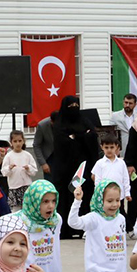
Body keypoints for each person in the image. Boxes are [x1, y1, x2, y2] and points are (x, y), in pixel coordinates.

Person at [46, 96, 100, 239]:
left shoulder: (84, 120)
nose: (74, 108)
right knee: (65, 198)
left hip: (83, 169)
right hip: (65, 171)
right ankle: (65, 230)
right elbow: (62, 143)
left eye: (76, 104)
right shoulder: (59, 124)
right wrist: (83, 136)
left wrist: (77, 137)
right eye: (71, 105)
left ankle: (83, 229)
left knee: (84, 196)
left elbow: (93, 136)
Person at [1, 130, 37, 209]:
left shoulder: (27, 155)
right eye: (15, 141)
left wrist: (28, 168)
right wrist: (9, 168)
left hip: (26, 186)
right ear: (11, 142)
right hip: (14, 187)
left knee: (28, 208)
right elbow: (4, 172)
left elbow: (34, 171)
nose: (18, 143)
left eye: (20, 141)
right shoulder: (8, 156)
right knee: (15, 209)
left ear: (23, 141)